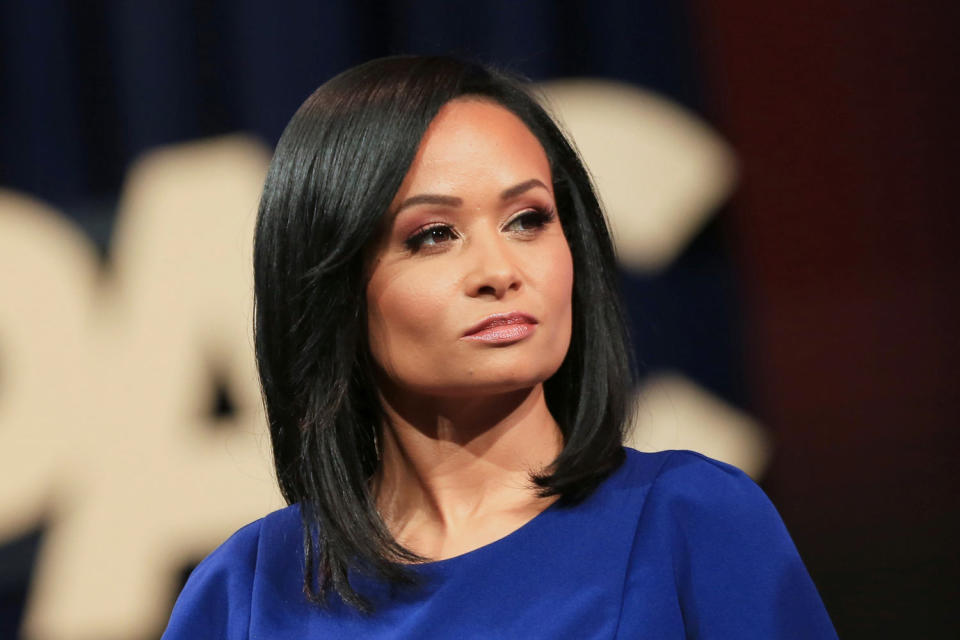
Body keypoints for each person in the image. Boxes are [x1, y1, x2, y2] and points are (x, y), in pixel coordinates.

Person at [162, 55, 836, 638]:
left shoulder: (693, 521)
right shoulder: (247, 593)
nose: (500, 270)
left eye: (528, 219)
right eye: (433, 234)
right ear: (333, 286)